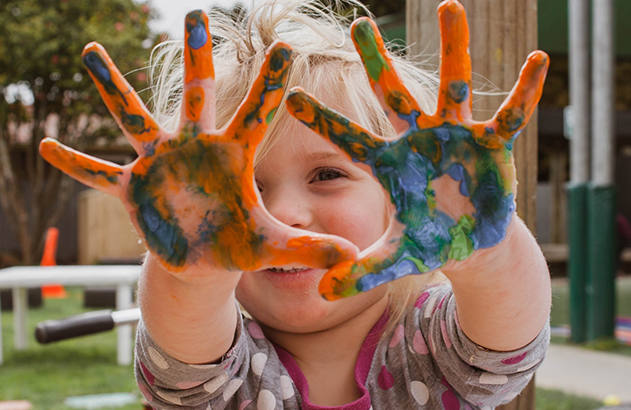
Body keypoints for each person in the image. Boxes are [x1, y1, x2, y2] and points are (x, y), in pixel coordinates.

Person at [40, 0, 551, 408]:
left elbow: (507, 343)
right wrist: (193, 275)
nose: (284, 213)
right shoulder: (224, 366)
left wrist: (486, 250)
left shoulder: (430, 338)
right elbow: (184, 343)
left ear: (403, 197)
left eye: (327, 174)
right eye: (242, 191)